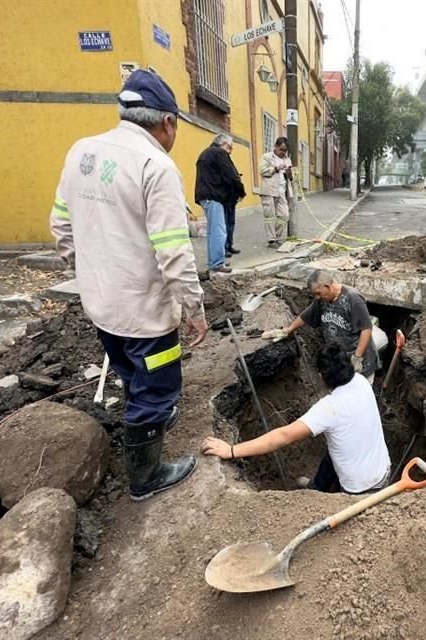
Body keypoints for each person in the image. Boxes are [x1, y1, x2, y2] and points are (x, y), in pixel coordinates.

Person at [50, 69, 208, 501]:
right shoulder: (155, 165)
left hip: (102, 305)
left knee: (126, 368)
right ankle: (146, 476)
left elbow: (61, 228)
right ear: (167, 122)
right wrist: (194, 310)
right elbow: (173, 251)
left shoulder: (81, 152)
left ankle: (150, 420)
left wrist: (91, 272)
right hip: (146, 313)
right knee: (157, 384)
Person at [200, 343, 391, 494]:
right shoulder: (361, 381)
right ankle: (318, 487)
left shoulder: (329, 408)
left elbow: (283, 435)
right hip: (384, 470)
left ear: (320, 376)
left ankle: (321, 498)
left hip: (361, 489)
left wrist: (231, 450)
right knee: (334, 448)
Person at [269, 269, 379, 382]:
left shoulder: (353, 298)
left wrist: (357, 358)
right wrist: (288, 330)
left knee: (359, 395)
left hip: (360, 363)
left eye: (318, 293)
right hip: (339, 363)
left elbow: (366, 329)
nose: (317, 297)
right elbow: (306, 315)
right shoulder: (322, 300)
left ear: (327, 286)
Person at [195, 133, 244, 273]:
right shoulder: (219, 153)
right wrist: (241, 192)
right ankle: (217, 263)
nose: (230, 151)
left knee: (213, 231)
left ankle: (215, 261)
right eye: (230, 147)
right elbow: (231, 175)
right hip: (214, 196)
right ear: (224, 144)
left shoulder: (206, 153)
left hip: (205, 196)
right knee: (219, 231)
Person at [259, 136, 292, 249]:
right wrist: (276, 168)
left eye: (285, 150)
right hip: (269, 190)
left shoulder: (287, 159)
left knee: (284, 215)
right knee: (269, 216)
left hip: (281, 191)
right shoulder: (267, 157)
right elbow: (262, 171)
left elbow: (291, 177)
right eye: (281, 149)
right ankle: (271, 240)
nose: (283, 152)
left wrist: (289, 172)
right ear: (276, 147)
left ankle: (277, 237)